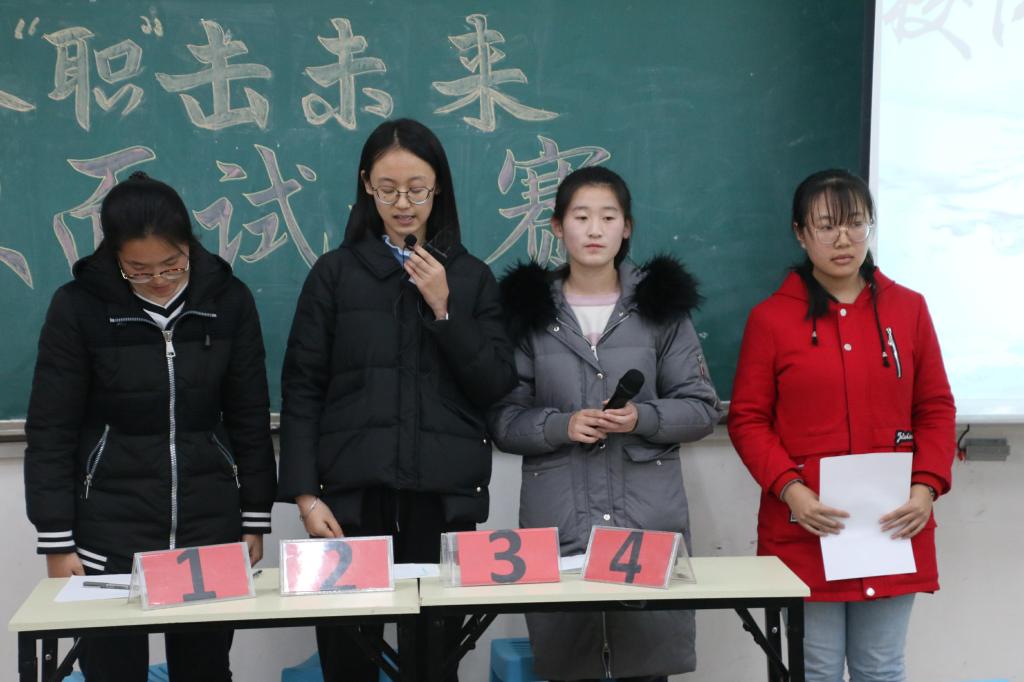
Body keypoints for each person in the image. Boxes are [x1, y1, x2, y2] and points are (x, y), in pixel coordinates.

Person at [278, 118, 516, 681]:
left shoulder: (471, 278)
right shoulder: (334, 274)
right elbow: (302, 387)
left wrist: (444, 308)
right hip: (349, 505)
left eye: (416, 189)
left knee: (435, 665)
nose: (403, 204)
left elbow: (495, 384)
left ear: (439, 188)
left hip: (442, 504)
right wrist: (306, 497)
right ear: (366, 185)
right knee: (348, 664)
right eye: (388, 190)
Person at [24, 171, 277, 681]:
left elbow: (249, 416)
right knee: (112, 671)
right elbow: (51, 429)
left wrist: (254, 516)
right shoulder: (79, 307)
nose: (159, 279)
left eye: (172, 265)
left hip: (208, 525)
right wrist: (56, 540)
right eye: (138, 270)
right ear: (114, 256)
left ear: (189, 245)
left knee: (205, 670)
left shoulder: (228, 301)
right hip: (108, 532)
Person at [488, 166, 723, 681]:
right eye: (581, 217)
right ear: (556, 227)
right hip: (561, 517)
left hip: (645, 516)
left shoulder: (661, 309)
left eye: (608, 217)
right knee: (571, 661)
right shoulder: (528, 312)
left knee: (646, 665)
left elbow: (701, 408)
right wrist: (561, 426)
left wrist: (642, 416)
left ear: (627, 227)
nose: (594, 230)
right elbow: (504, 420)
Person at [728, 169, 956, 682]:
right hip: (806, 527)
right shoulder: (771, 319)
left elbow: (936, 408)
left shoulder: (909, 309)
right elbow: (747, 419)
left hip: (891, 523)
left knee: (881, 667)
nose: (844, 238)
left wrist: (925, 488)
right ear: (800, 233)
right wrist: (792, 491)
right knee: (815, 670)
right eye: (827, 225)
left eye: (856, 223)